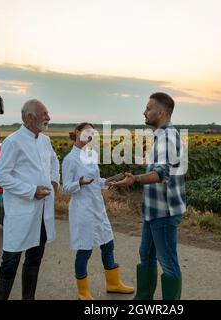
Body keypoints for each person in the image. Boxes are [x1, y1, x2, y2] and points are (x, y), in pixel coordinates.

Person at [112, 92, 186, 300]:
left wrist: (135, 179)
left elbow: (163, 173)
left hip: (164, 210)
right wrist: (146, 161)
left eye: (148, 108)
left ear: (161, 112)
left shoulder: (168, 138)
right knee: (146, 255)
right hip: (153, 210)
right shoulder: (161, 136)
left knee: (168, 263)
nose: (144, 112)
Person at [0, 99, 60, 300]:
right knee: (11, 259)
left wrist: (55, 182)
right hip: (21, 212)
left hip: (41, 212)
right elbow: (1, 176)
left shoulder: (45, 140)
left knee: (34, 259)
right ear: (30, 117)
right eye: (44, 114)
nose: (48, 117)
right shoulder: (13, 142)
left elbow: (54, 162)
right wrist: (31, 191)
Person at [62, 122, 134, 300]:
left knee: (108, 244)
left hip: (97, 207)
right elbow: (65, 188)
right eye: (86, 131)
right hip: (82, 210)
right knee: (84, 250)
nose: (89, 135)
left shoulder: (91, 154)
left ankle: (113, 284)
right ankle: (83, 291)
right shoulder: (70, 159)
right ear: (78, 132)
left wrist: (106, 182)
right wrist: (79, 183)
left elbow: (96, 179)